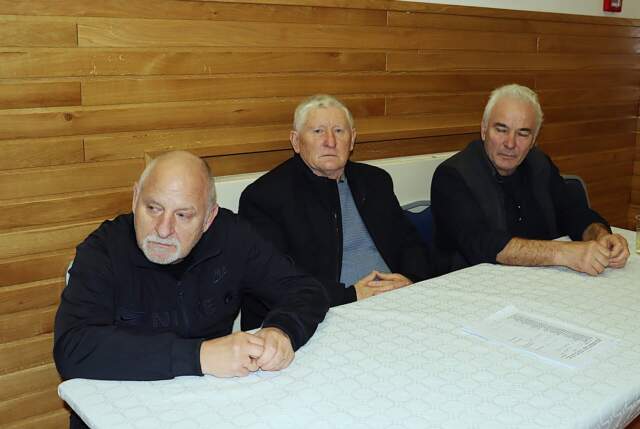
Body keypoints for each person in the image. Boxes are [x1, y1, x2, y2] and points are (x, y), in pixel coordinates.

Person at [54, 152, 329, 402]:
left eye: (183, 215)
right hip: (121, 405)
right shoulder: (103, 250)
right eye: (153, 208)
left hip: (208, 401)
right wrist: (200, 356)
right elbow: (73, 348)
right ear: (135, 198)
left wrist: (281, 330)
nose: (163, 230)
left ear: (209, 218)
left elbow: (305, 290)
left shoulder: (232, 236)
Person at [239, 94, 432, 330]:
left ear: (352, 140)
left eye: (339, 131)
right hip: (321, 314)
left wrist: (410, 280)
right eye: (318, 131)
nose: (330, 141)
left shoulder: (375, 182)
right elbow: (278, 280)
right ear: (296, 141)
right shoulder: (264, 197)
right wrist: (352, 295)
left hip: (397, 302)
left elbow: (410, 243)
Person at [431, 84, 630, 275]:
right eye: (501, 130)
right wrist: (563, 253)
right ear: (484, 130)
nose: (510, 143)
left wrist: (601, 236)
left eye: (523, 133)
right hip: (475, 285)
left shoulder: (539, 164)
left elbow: (573, 212)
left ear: (534, 140)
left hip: (541, 279)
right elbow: (482, 243)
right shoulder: (452, 176)